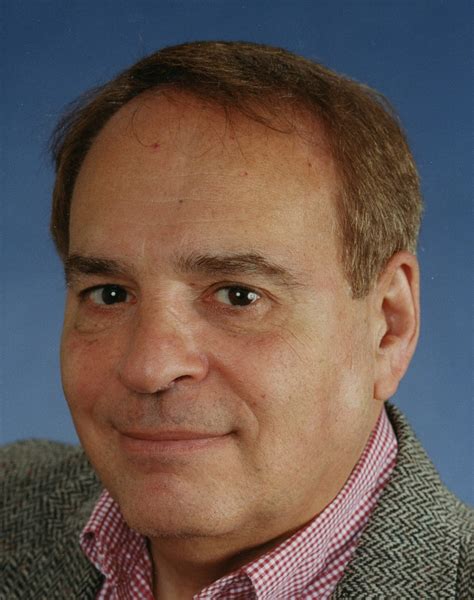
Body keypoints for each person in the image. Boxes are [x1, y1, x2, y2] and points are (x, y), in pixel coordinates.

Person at [1, 41, 472, 599]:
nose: (150, 367)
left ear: (388, 326)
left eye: (239, 296)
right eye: (109, 294)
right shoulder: (12, 503)